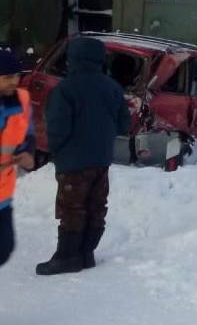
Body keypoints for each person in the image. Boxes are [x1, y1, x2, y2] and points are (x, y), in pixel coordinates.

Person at [36, 37, 130, 276]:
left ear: (73, 58)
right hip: (101, 159)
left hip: (73, 161)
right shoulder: (113, 88)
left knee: (72, 207)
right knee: (96, 205)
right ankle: (86, 254)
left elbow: (57, 128)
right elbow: (123, 124)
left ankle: (67, 257)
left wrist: (58, 150)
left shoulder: (65, 89)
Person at [0, 49, 35, 269]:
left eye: (16, 76)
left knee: (4, 249)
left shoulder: (21, 99)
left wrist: (27, 152)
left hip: (3, 193)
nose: (14, 81)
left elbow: (27, 133)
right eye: (7, 77)